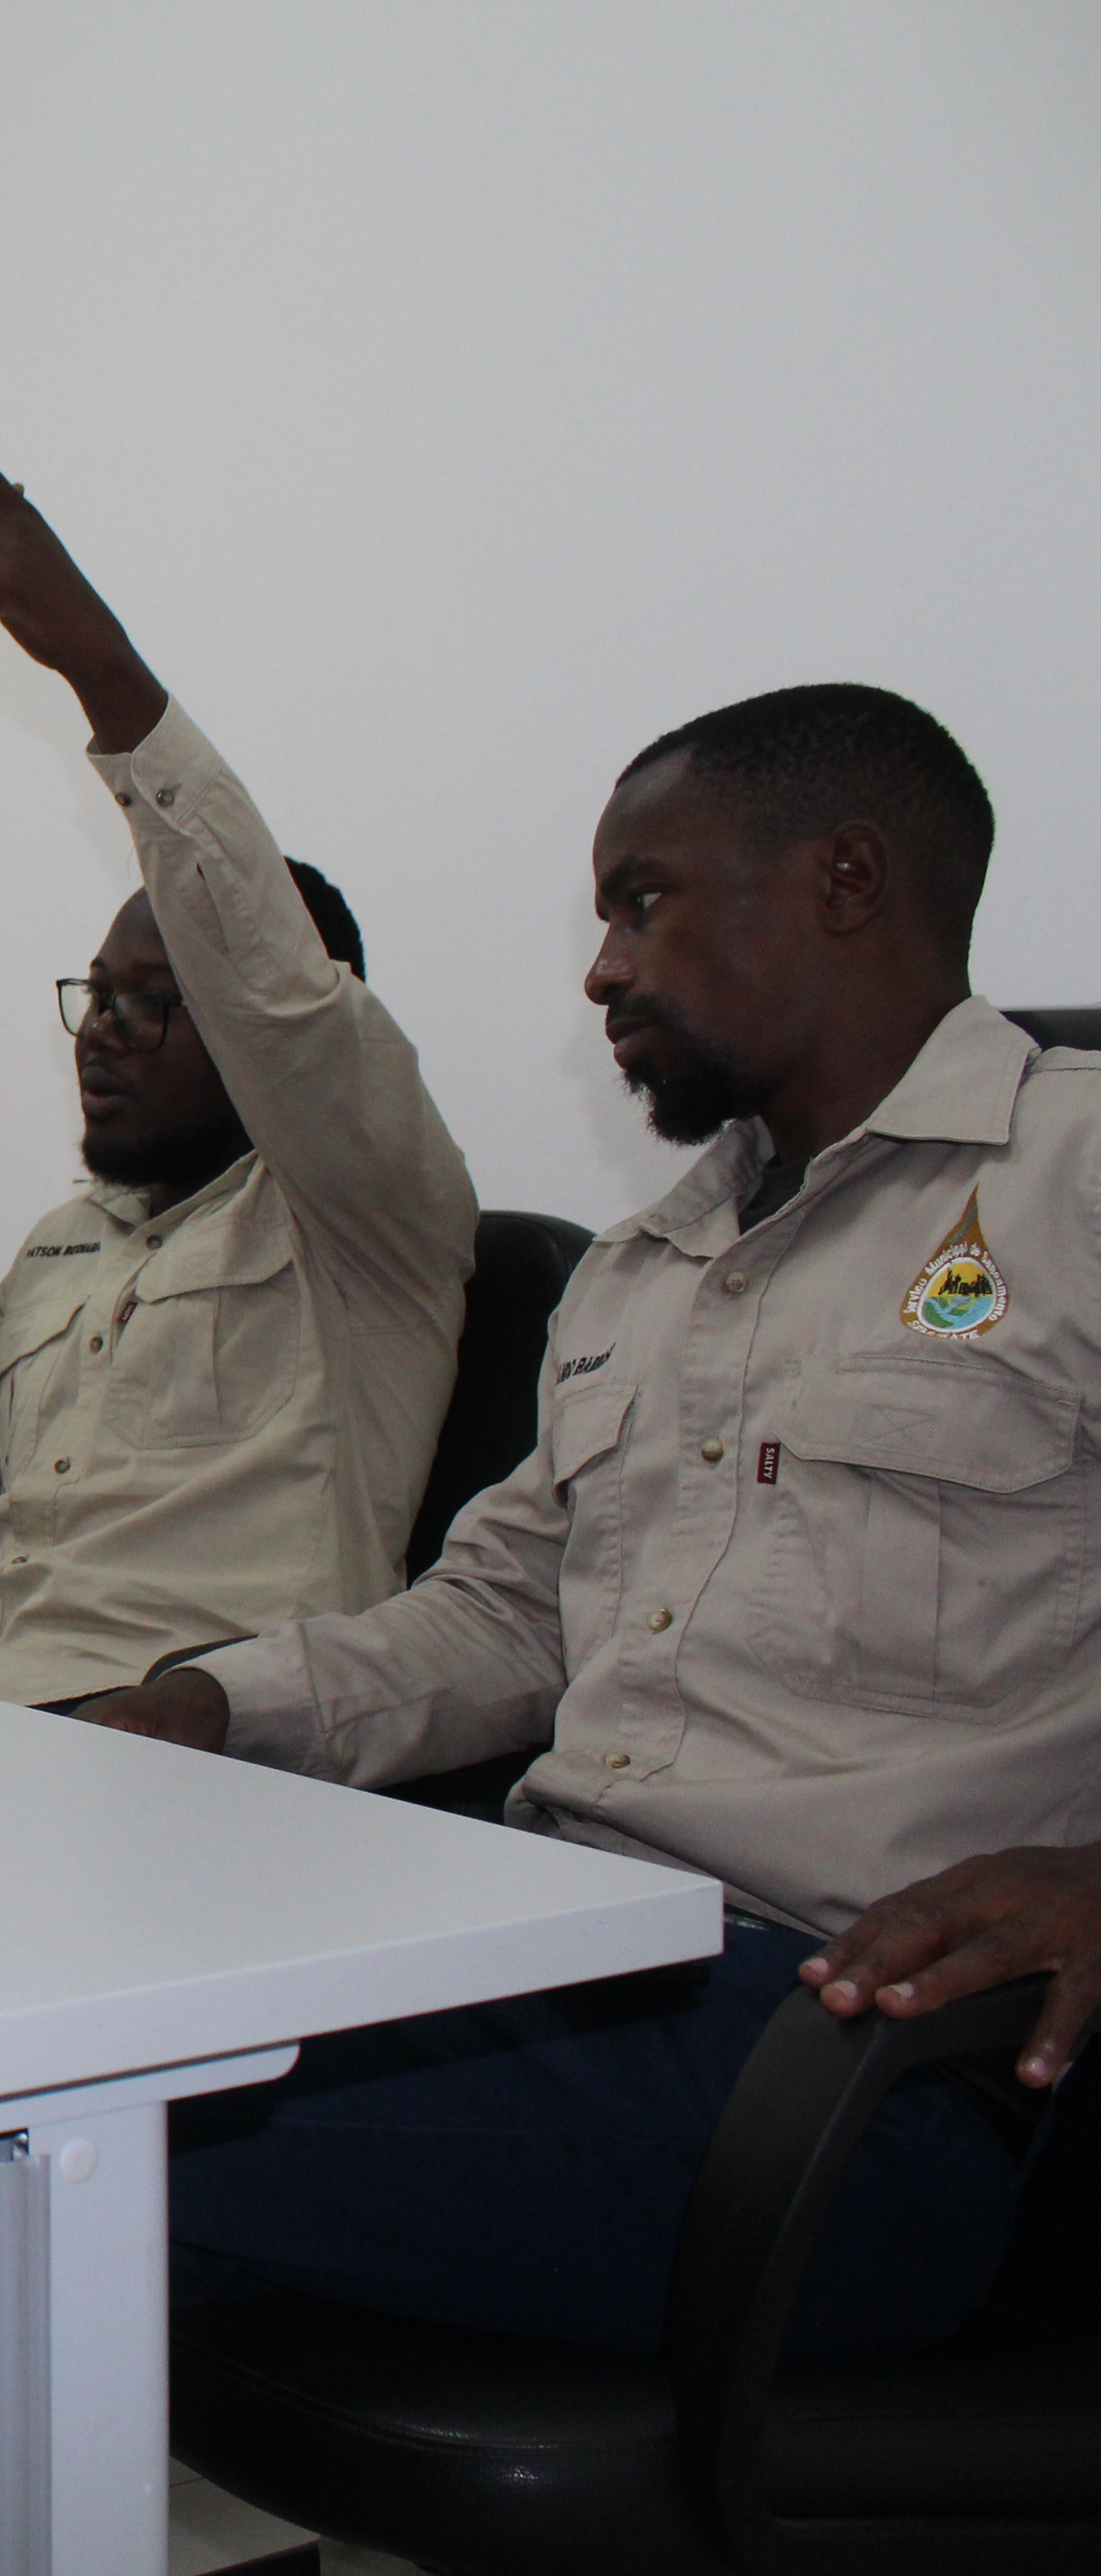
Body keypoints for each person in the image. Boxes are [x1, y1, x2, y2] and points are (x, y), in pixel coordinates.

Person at [72, 683, 1094, 2359]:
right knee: (16, 2055)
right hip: (563, 1951)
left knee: (17, 2151)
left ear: (848, 881)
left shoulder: (1076, 1179)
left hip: (866, 2065)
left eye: (645, 901)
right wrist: (196, 1706)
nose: (602, 970)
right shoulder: (650, 1266)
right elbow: (509, 1617)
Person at [0, 423, 477, 1701]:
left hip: (179, 1745)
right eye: (97, 999)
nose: (102, 1032)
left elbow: (266, 976)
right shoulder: (70, 1240)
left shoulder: (362, 1213)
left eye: (156, 1003)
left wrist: (95, 667)